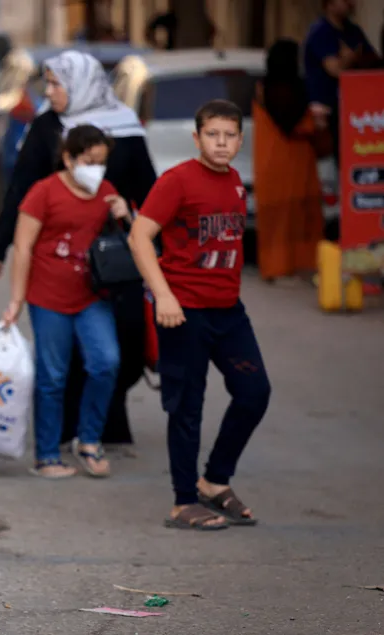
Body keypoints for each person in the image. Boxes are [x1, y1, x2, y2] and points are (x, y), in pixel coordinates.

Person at [0, 50, 156, 449]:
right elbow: (20, 192)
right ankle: (64, 431)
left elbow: (151, 192)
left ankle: (107, 421)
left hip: (115, 256)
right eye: (50, 83)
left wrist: (153, 238)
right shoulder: (47, 127)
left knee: (123, 344)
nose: (51, 92)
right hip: (57, 254)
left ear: (83, 84)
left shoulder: (125, 125)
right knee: (63, 352)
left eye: (57, 84)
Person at [127, 100, 271, 531]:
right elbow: (139, 236)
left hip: (229, 312)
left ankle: (214, 480)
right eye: (213, 135)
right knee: (187, 407)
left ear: (240, 140)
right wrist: (163, 297)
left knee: (254, 392)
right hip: (183, 312)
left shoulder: (236, 183)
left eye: (230, 135)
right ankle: (183, 501)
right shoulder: (177, 182)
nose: (222, 143)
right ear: (197, 138)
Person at [2, 125, 130, 478]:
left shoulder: (107, 192)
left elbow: (130, 243)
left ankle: (88, 440)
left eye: (102, 162)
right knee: (52, 376)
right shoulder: (43, 193)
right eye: (89, 161)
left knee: (106, 362)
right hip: (48, 298)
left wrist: (125, 214)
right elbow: (23, 247)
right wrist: (17, 299)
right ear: (69, 158)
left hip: (92, 295)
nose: (96, 169)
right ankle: (46, 455)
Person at [253, 39, 324, 282]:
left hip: (271, 165)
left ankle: (275, 267)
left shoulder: (262, 88)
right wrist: (315, 123)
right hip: (295, 163)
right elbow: (291, 122)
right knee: (300, 215)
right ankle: (302, 264)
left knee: (277, 220)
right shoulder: (292, 89)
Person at [303, 0, 379, 169]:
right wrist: (352, 57)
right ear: (329, 4)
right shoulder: (320, 32)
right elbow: (335, 69)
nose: (351, 3)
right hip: (326, 116)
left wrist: (348, 58)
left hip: (354, 116)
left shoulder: (353, 31)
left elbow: (371, 62)